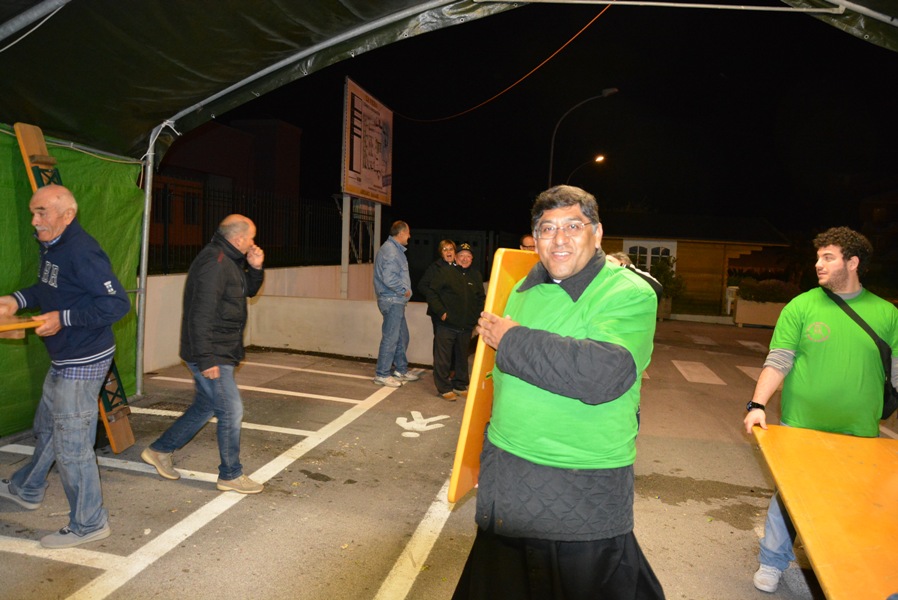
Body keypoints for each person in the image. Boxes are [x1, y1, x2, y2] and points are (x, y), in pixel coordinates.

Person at [453, 185, 664, 599]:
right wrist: (486, 463)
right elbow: (499, 378)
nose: (559, 238)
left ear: (597, 233)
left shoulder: (627, 292)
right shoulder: (522, 286)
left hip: (580, 489)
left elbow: (603, 374)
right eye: (547, 229)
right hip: (509, 482)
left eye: (573, 226)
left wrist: (510, 338)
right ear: (535, 238)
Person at [743, 226, 898, 594]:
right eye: (818, 257)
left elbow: (896, 371)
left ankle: (842, 565)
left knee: (855, 503)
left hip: (859, 430)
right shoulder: (802, 305)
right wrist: (757, 404)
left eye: (828, 257)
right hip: (802, 424)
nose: (818, 264)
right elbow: (779, 359)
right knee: (790, 497)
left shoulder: (886, 313)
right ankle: (772, 561)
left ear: (853, 262)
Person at [0, 184, 130, 549]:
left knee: (72, 444)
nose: (34, 220)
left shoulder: (81, 251)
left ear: (67, 215)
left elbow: (116, 304)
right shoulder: (52, 244)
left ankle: (89, 523)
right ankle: (27, 487)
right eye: (33, 212)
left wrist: (63, 318)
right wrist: (16, 300)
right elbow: (50, 289)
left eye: (41, 212)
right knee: (48, 426)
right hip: (64, 355)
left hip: (83, 359)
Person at [141, 215, 266, 494]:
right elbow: (200, 314)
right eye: (251, 238)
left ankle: (160, 450)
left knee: (206, 406)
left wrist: (256, 268)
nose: (253, 243)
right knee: (231, 410)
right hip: (212, 352)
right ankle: (231, 474)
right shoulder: (215, 262)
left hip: (220, 349)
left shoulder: (229, 259)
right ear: (238, 239)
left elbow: (247, 290)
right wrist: (207, 358)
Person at [424, 242, 485, 401]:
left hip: (466, 326)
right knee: (443, 359)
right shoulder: (446, 272)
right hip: (446, 325)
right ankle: (444, 388)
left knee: (461, 358)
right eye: (461, 255)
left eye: (468, 256)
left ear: (472, 259)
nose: (465, 258)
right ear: (456, 258)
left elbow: (480, 298)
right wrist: (441, 312)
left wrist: (475, 317)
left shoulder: (476, 275)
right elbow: (431, 292)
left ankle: (460, 385)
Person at [373, 220, 419, 387]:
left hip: (395, 300)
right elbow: (389, 278)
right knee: (391, 338)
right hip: (392, 299)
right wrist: (403, 290)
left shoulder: (393, 249)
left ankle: (400, 369)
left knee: (401, 336)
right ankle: (382, 374)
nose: (409, 236)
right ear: (401, 233)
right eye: (408, 233)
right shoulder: (392, 251)